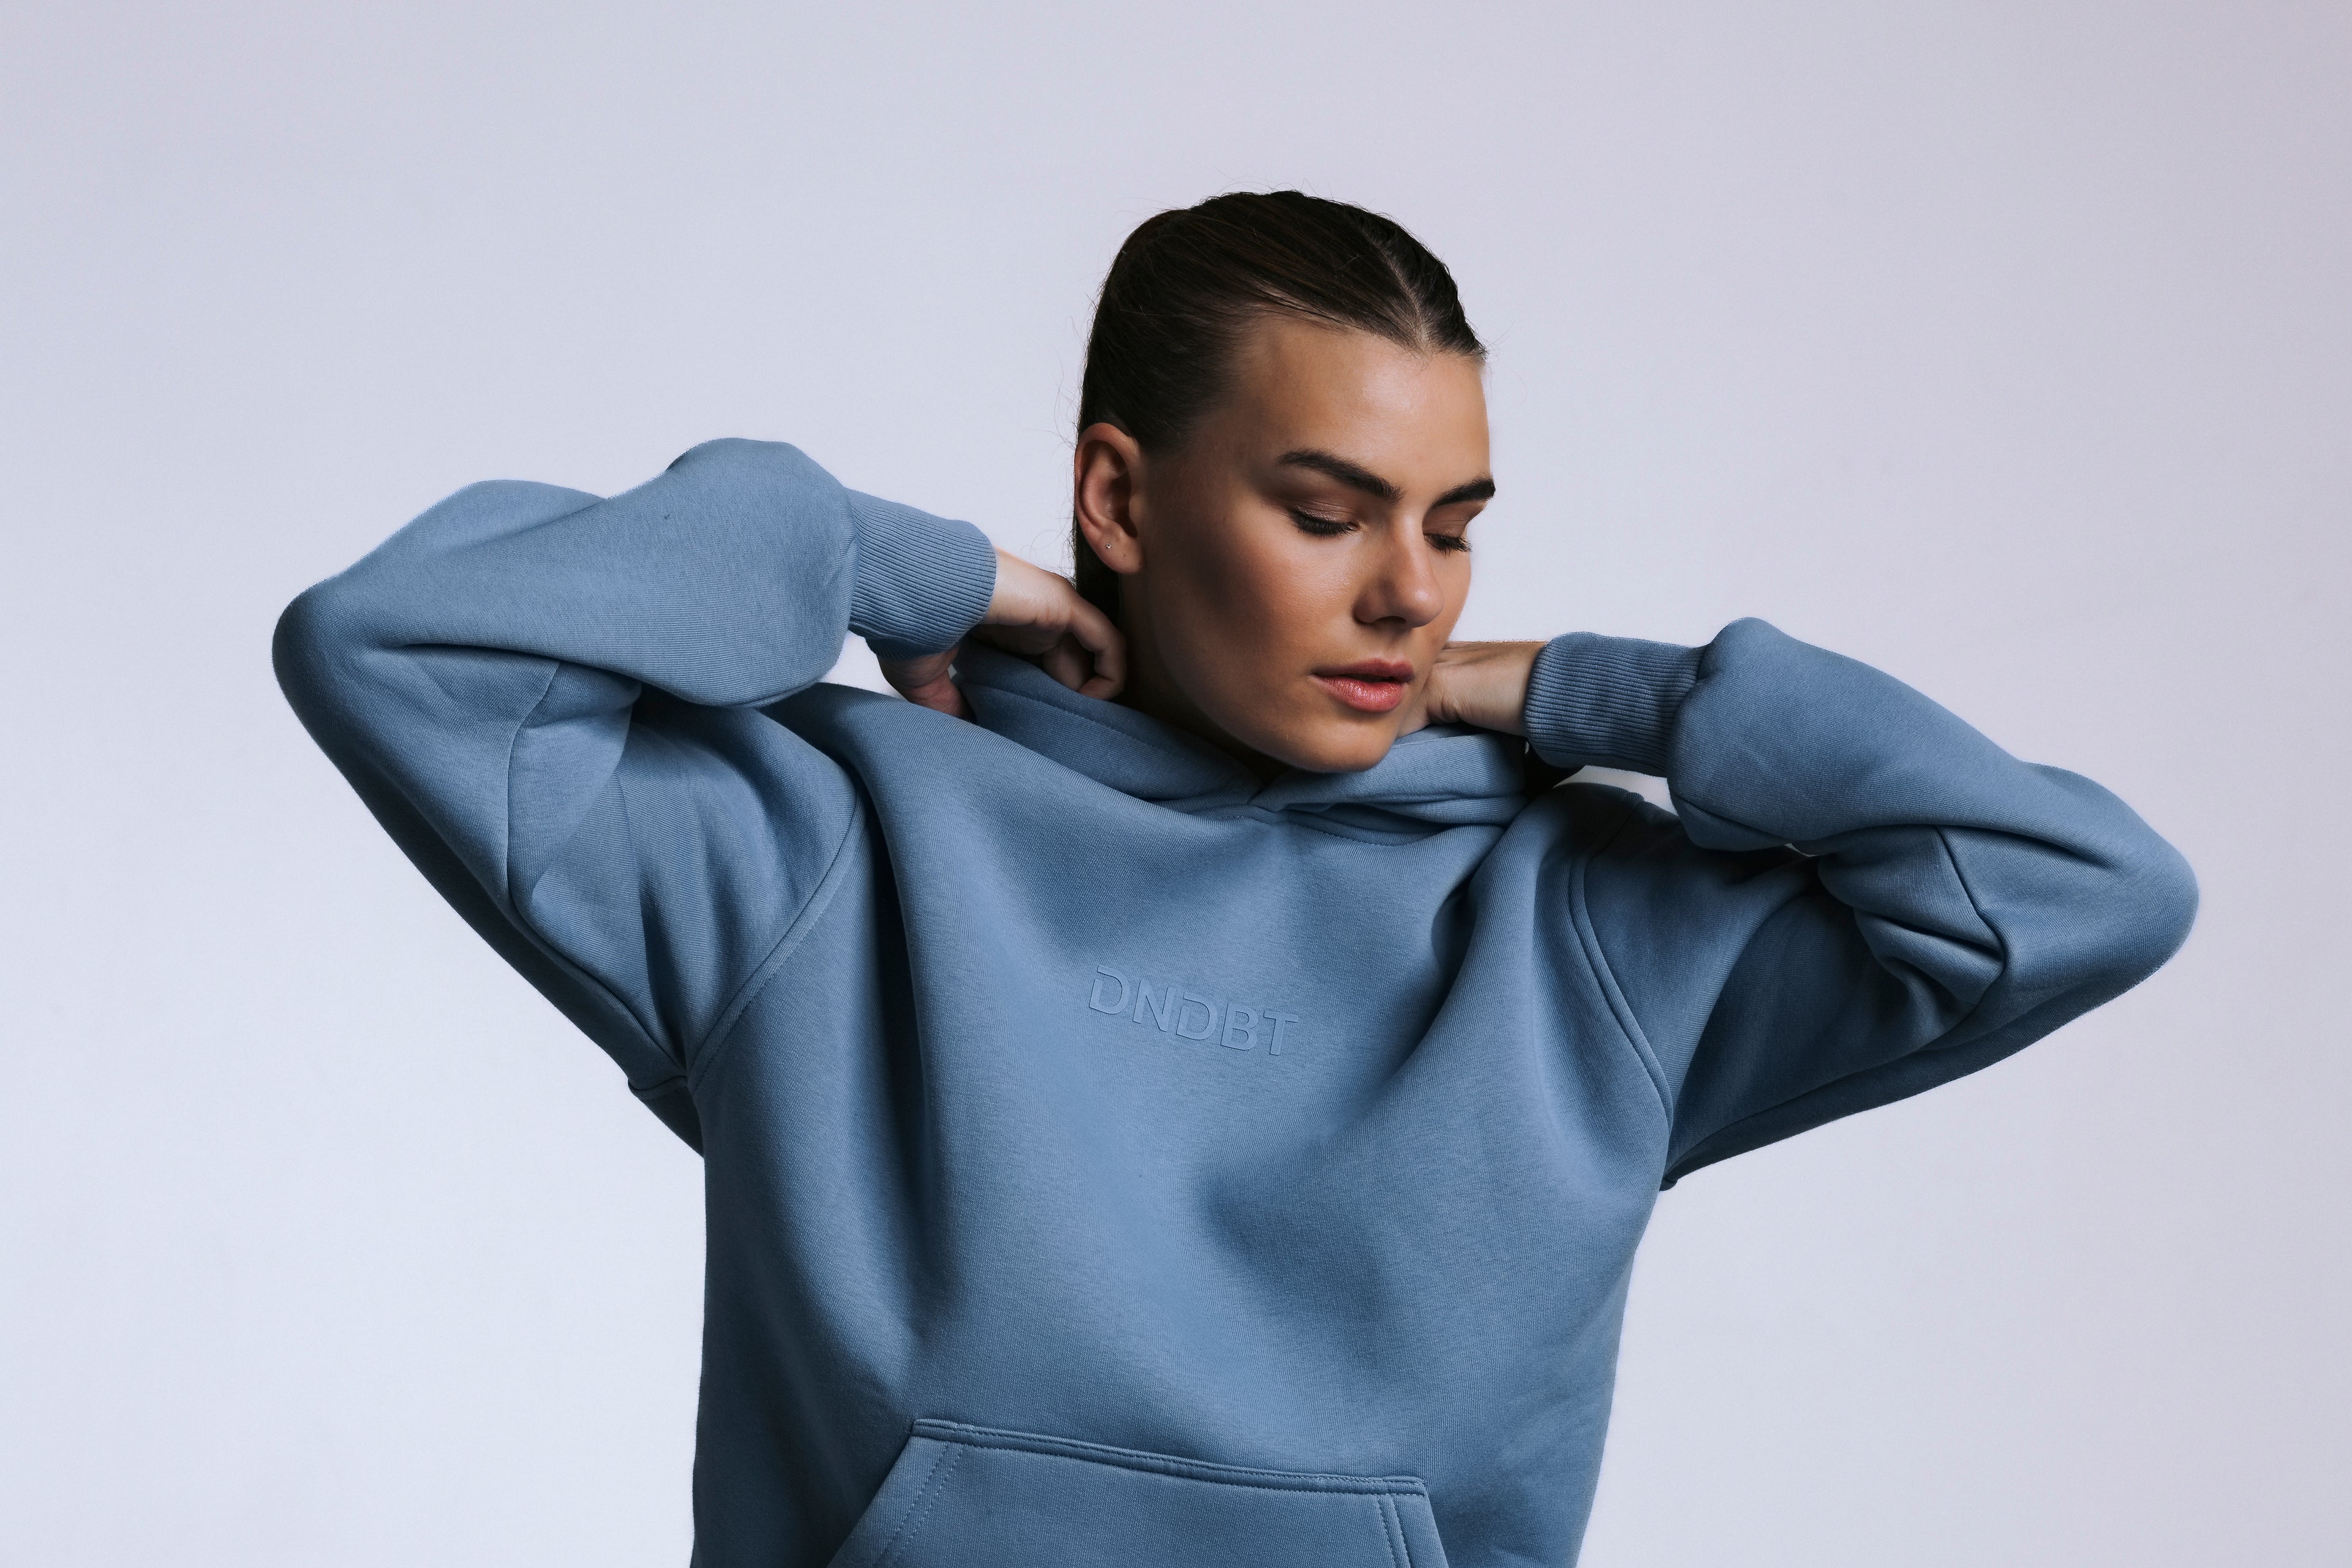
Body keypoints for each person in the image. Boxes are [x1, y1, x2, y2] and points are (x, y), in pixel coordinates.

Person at [273, 191, 2198, 1568]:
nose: (1409, 593)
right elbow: (401, 645)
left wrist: (1613, 692)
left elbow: (2082, 886)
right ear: (1119, 498)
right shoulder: (833, 849)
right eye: (1326, 509)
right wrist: (897, 561)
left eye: (1452, 527)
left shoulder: (1587, 929)